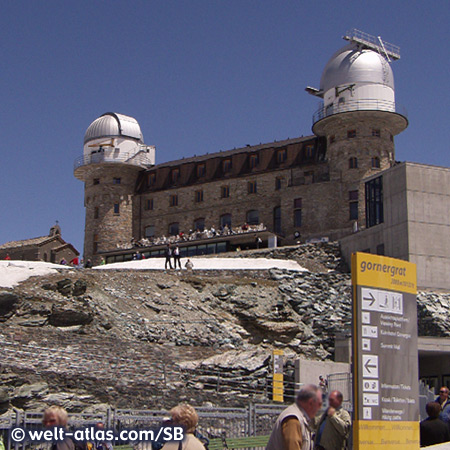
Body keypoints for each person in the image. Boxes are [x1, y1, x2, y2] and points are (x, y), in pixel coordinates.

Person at [266, 384, 322, 450]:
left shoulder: (302, 418)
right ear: (310, 403)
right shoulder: (293, 420)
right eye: (319, 404)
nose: (320, 408)